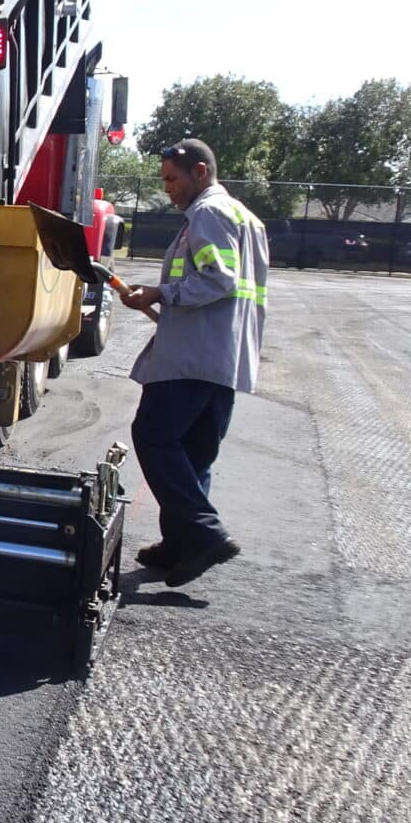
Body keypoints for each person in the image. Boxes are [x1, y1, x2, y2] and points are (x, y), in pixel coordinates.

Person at [117, 138, 270, 587]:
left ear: (200, 172)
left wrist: (161, 293)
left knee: (154, 435)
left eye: (172, 178)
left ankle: (204, 533)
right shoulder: (246, 218)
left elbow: (217, 280)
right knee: (194, 454)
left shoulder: (208, 214)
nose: (168, 188)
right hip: (225, 356)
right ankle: (180, 543)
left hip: (193, 355)